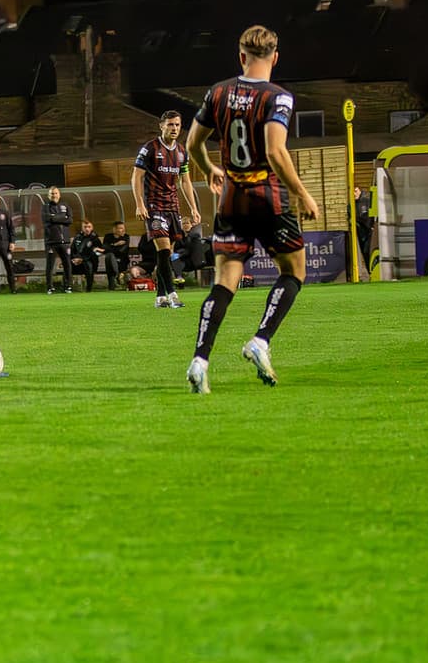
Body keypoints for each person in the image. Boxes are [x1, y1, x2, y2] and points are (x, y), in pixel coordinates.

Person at [184, 25, 320, 395]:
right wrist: (303, 193)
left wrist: (209, 168)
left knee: (224, 281)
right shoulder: (279, 98)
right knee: (294, 270)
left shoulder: (218, 92)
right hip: (267, 195)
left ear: (241, 56)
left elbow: (192, 143)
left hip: (230, 196)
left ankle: (200, 360)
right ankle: (260, 340)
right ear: (275, 58)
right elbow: (275, 151)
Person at [132, 110, 202, 309]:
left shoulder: (181, 152)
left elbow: (185, 181)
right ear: (161, 126)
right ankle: (172, 294)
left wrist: (194, 208)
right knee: (163, 249)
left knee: (165, 253)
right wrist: (139, 203)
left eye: (177, 125)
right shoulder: (150, 149)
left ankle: (160, 296)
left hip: (173, 207)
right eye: (170, 125)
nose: (174, 129)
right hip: (154, 205)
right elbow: (136, 177)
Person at [42, 186, 73, 293]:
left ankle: (67, 286)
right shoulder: (45, 207)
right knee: (50, 265)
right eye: (52, 194)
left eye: (55, 193)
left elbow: (69, 220)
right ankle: (50, 287)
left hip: (65, 241)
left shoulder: (65, 205)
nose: (54, 195)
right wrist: (61, 217)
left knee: (67, 264)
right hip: (51, 242)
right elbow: (46, 219)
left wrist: (54, 217)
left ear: (59, 194)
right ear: (49, 195)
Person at [70, 220, 101, 292]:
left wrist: (82, 259)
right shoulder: (77, 237)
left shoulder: (95, 239)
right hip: (77, 261)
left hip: (88, 261)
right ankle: (67, 288)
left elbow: (97, 252)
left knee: (89, 265)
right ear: (82, 228)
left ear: (92, 228)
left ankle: (89, 289)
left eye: (89, 227)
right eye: (85, 227)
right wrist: (73, 259)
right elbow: (72, 250)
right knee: (67, 265)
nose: (87, 229)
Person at [98, 220, 131, 288]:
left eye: (123, 228)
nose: (122, 230)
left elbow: (121, 251)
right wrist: (116, 244)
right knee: (110, 256)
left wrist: (110, 247)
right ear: (114, 229)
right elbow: (104, 249)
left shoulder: (126, 237)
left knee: (110, 256)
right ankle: (117, 276)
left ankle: (117, 276)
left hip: (122, 260)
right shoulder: (108, 237)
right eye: (120, 228)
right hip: (110, 260)